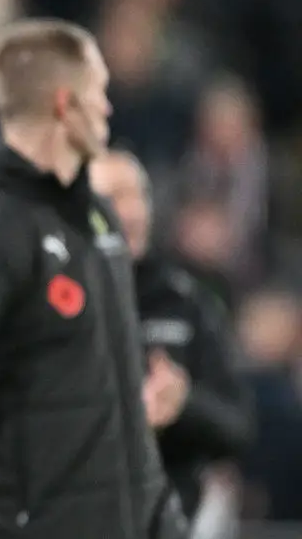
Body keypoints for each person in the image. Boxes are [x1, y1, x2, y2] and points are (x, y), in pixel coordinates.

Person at [0, 19, 187, 539]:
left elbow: (118, 393)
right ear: (66, 104)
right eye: (98, 92)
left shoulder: (96, 218)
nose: (107, 107)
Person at [89, 149, 253, 524]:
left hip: (169, 518)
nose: (131, 212)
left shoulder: (186, 300)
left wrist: (182, 405)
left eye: (139, 196)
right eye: (114, 197)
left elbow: (239, 426)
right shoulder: (56, 299)